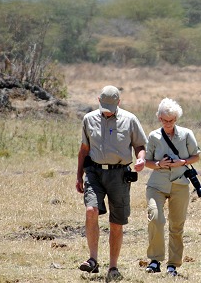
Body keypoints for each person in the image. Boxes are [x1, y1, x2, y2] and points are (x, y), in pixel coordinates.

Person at [75, 85, 148, 281]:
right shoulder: (88, 119)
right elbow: (83, 149)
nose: (107, 110)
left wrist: (140, 159)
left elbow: (140, 145)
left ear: (119, 103)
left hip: (119, 174)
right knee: (91, 211)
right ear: (98, 100)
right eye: (104, 105)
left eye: (111, 106)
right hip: (94, 172)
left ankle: (113, 267)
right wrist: (78, 175)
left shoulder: (130, 120)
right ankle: (92, 260)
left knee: (116, 223)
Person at [143, 98, 201, 277]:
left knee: (176, 226)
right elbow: (147, 162)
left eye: (172, 120)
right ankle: (154, 260)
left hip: (180, 184)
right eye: (164, 120)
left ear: (177, 118)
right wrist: (159, 163)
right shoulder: (153, 136)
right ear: (159, 118)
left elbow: (196, 156)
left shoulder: (186, 134)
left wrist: (182, 162)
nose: (168, 124)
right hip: (157, 184)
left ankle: (173, 265)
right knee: (156, 218)